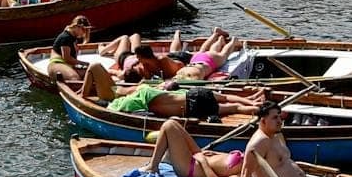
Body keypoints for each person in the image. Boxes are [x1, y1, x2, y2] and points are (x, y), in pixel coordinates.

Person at [235, 99, 348, 177]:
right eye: (274, 118)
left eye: (279, 116)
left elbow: (285, 161)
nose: (279, 121)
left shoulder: (277, 135)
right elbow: (246, 174)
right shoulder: (258, 144)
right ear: (263, 121)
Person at [76, 63, 265, 121]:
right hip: (193, 95)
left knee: (232, 108)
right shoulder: (145, 91)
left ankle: (256, 107)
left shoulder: (134, 102)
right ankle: (254, 101)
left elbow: (123, 111)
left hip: (191, 109)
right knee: (226, 99)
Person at [143, 117, 246, 177]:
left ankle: (153, 167)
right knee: (173, 122)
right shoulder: (248, 159)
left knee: (168, 126)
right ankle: (159, 161)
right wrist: (211, 153)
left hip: (191, 168)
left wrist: (204, 162)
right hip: (199, 155)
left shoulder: (244, 176)